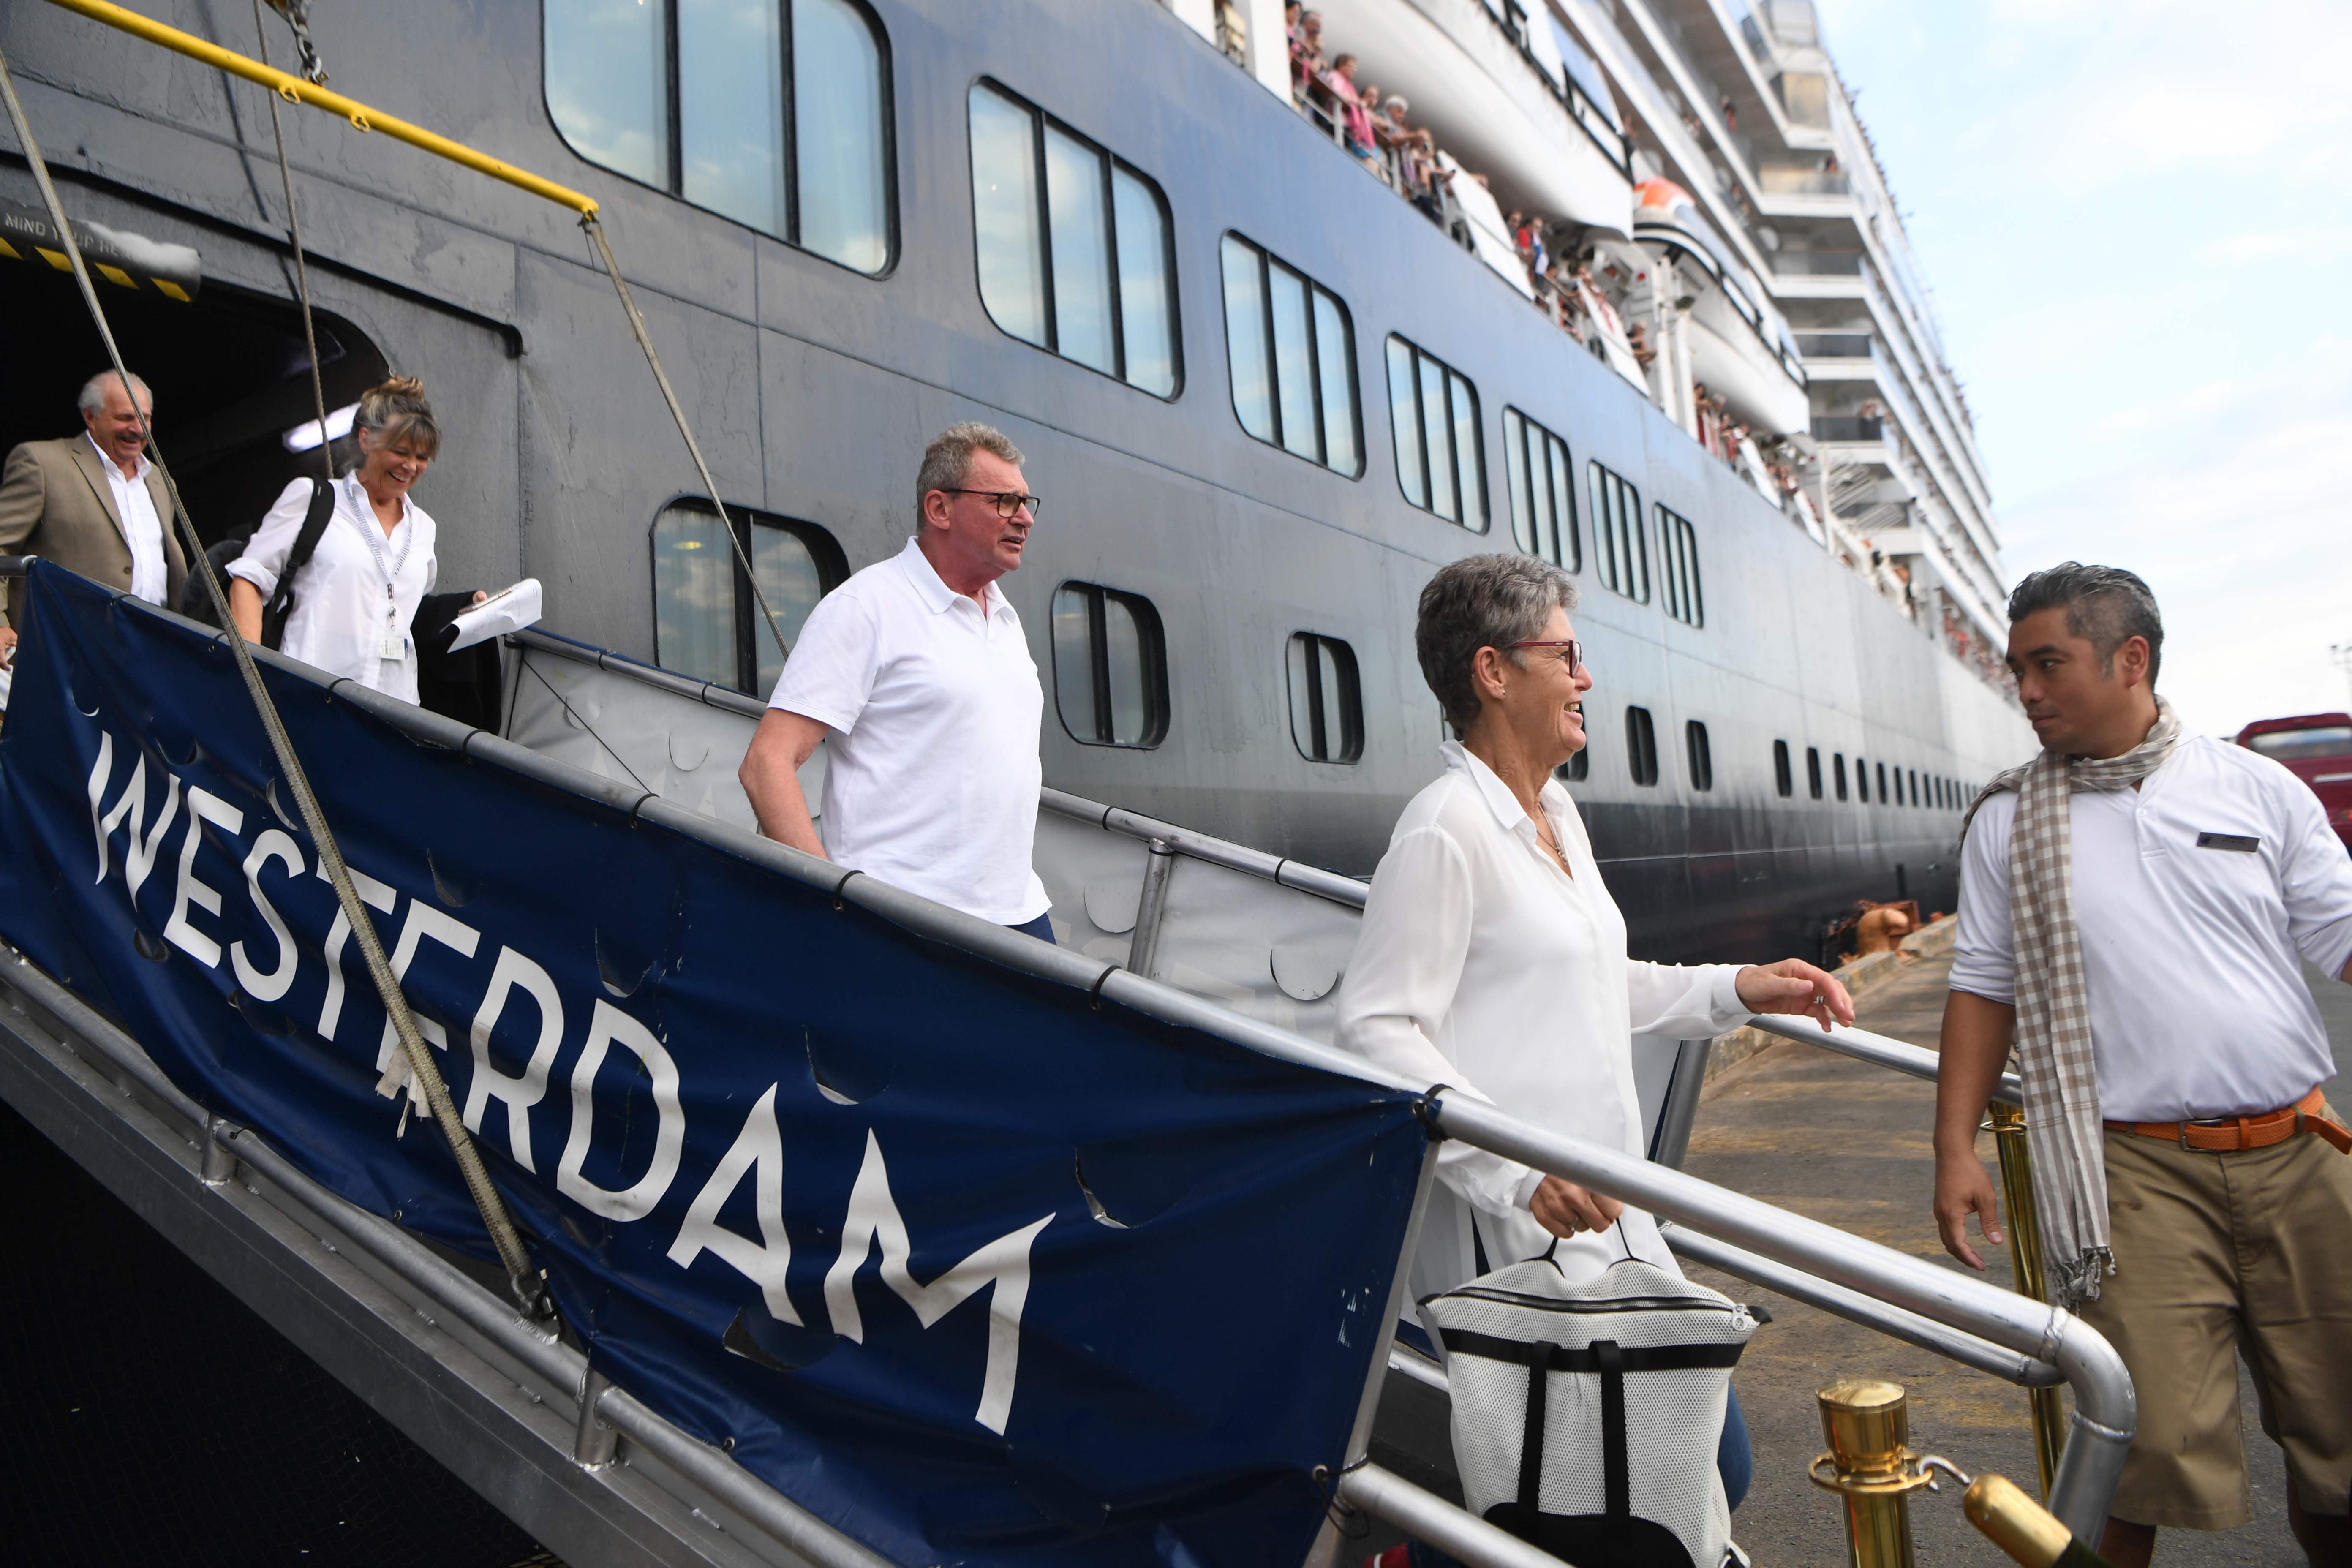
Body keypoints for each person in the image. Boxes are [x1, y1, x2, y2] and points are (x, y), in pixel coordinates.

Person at [1334, 553, 1856, 1527]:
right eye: (1566, 655)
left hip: (1607, 1214)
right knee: (1551, 1501)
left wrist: (1737, 987)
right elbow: (1376, 1028)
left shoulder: (1556, 816)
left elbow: (1593, 979)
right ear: (1494, 671)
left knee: (1674, 1475)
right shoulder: (1445, 828)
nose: (1585, 677)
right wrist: (1518, 1170)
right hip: (1513, 1237)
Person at [1932, 564, 2352, 1568]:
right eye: (2018, 669)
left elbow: (2342, 935)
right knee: (2134, 1444)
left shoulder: (2254, 787)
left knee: (2340, 1433)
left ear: (2131, 659)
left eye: (2048, 664)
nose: (2026, 690)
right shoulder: (2010, 819)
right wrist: (1953, 1146)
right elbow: (1984, 984)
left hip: (2299, 1152)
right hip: (2131, 1172)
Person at [738, 423, 1053, 940]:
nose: (1025, 518)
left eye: (1026, 502)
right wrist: (830, 903)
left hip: (1019, 913)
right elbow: (766, 763)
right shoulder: (867, 608)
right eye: (1004, 501)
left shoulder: (1003, 617)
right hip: (902, 917)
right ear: (940, 508)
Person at [227, 376, 479, 702]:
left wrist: (464, 609)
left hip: (394, 709)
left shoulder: (424, 527)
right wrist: (253, 677)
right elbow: (249, 579)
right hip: (311, 697)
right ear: (366, 440)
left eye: (422, 456)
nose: (410, 466)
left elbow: (404, 608)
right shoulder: (314, 498)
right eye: (400, 451)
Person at [0, 370, 186, 669]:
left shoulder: (160, 482)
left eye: (145, 418)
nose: (138, 429)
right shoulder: (43, 463)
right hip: (65, 653)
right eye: (126, 418)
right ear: (90, 416)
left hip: (149, 655)